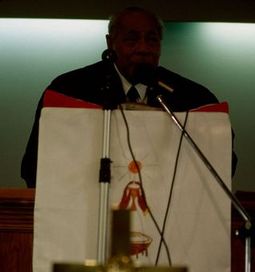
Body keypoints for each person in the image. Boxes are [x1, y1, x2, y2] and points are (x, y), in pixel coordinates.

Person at [21, 6, 237, 187]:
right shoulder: (70, 89)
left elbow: (223, 164)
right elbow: (35, 166)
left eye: (152, 40)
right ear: (110, 43)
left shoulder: (191, 97)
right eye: (131, 40)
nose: (143, 48)